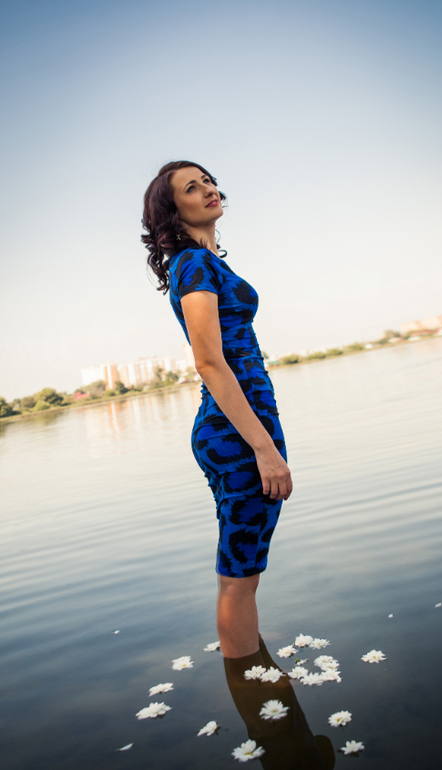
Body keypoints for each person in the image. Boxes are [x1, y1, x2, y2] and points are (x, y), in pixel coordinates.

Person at [142, 161, 292, 659]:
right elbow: (208, 361)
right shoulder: (193, 265)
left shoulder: (205, 263)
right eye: (192, 187)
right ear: (172, 210)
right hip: (235, 432)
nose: (208, 188)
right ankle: (251, 690)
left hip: (242, 423)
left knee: (245, 566)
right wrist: (264, 449)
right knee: (239, 574)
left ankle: (253, 670)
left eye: (207, 180)